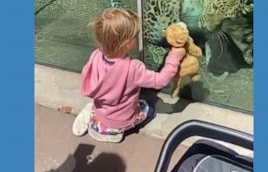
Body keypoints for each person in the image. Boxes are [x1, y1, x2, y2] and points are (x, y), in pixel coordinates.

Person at [72, 8, 186, 143]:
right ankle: (110, 128)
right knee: (150, 106)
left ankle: (93, 115)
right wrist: (174, 58)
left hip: (100, 113)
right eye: (136, 35)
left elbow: (88, 76)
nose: (139, 36)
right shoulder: (133, 68)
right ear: (127, 44)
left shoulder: (96, 56)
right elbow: (160, 81)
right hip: (121, 123)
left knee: (107, 105)